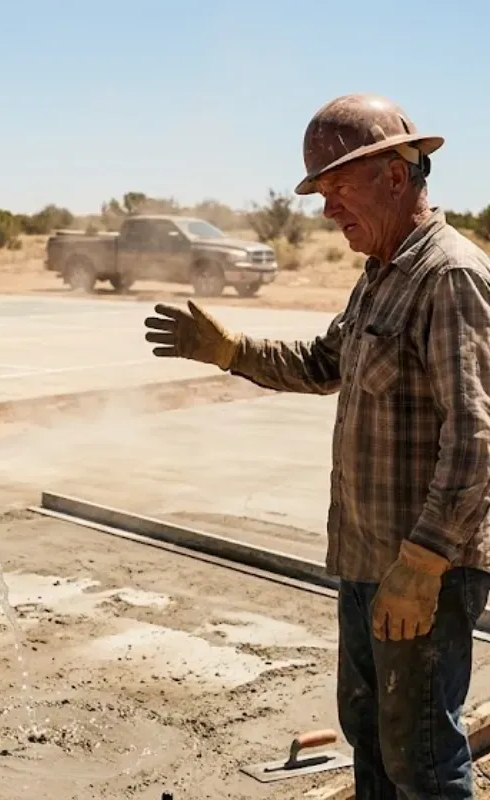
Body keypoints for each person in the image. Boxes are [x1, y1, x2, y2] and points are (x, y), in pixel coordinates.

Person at [145, 92, 490, 798]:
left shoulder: (449, 275)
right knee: (370, 737)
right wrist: (232, 350)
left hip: (424, 569)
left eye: (337, 189)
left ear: (396, 176)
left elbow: (477, 438)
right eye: (322, 193)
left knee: (422, 756)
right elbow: (322, 362)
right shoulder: (381, 277)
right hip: (368, 559)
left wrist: (422, 564)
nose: (328, 210)